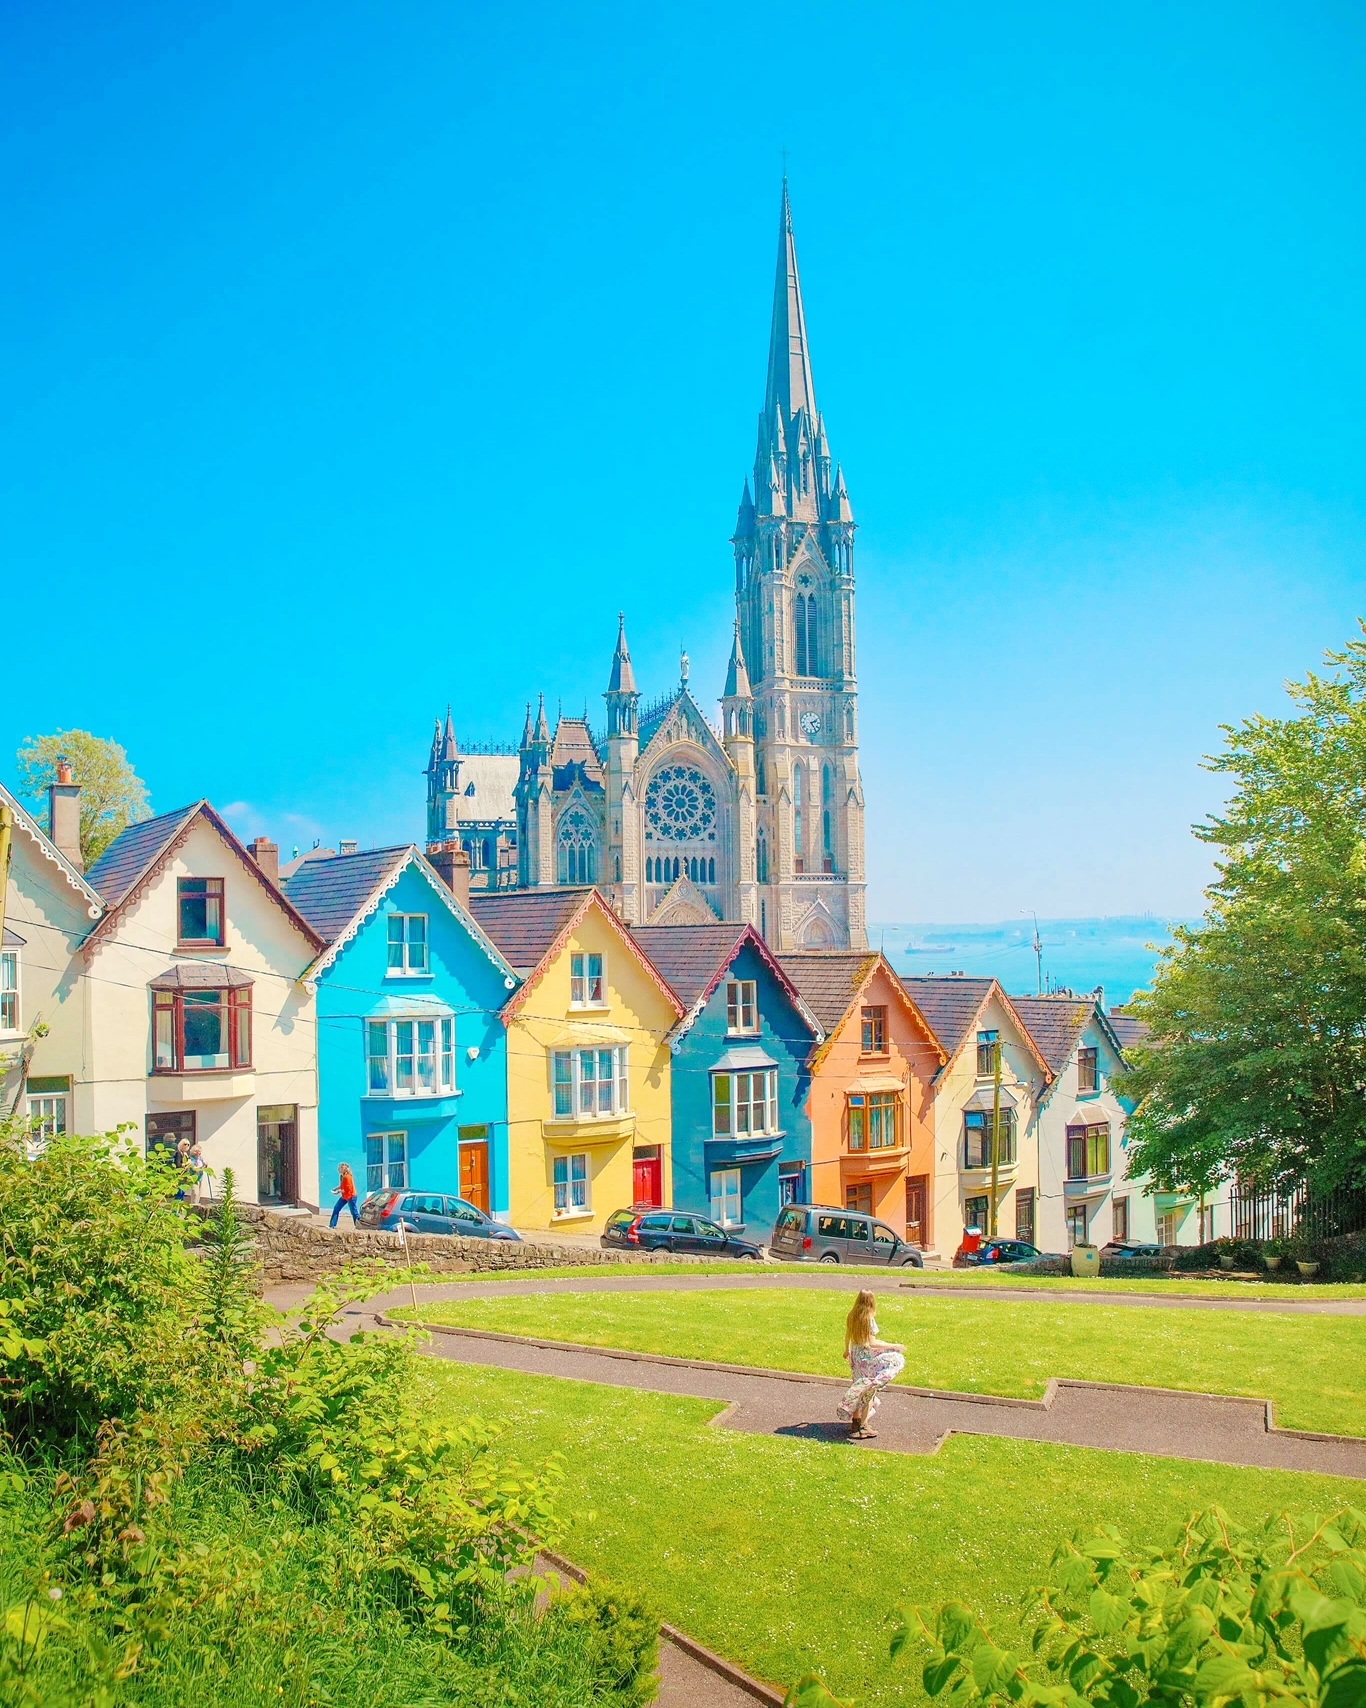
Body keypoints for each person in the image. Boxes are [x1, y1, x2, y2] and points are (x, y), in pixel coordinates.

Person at [837, 1289, 905, 1441]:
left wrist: (846, 1349)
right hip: (867, 1358)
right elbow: (872, 1343)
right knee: (869, 1390)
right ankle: (863, 1425)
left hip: (855, 1356)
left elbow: (848, 1334)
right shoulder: (868, 1319)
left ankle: (855, 1421)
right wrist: (893, 1345)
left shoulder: (852, 1315)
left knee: (858, 1386)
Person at [330, 1160, 360, 1228]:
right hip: (345, 1196)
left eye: (339, 1168)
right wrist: (336, 1188)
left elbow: (348, 1189)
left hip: (351, 1196)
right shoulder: (342, 1176)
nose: (338, 1169)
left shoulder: (348, 1177)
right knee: (336, 1208)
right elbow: (343, 1186)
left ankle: (359, 1226)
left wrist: (339, 1191)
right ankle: (332, 1225)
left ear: (343, 1169)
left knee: (354, 1212)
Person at [187, 1141, 212, 1205]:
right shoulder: (191, 1159)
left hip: (200, 1177)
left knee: (199, 1192)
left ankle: (197, 1203)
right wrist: (201, 1167)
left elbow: (204, 1164)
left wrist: (206, 1164)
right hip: (193, 1177)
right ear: (194, 1152)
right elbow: (193, 1168)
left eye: (200, 1151)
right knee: (195, 1192)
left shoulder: (201, 1158)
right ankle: (193, 1204)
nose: (199, 1153)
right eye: (197, 1151)